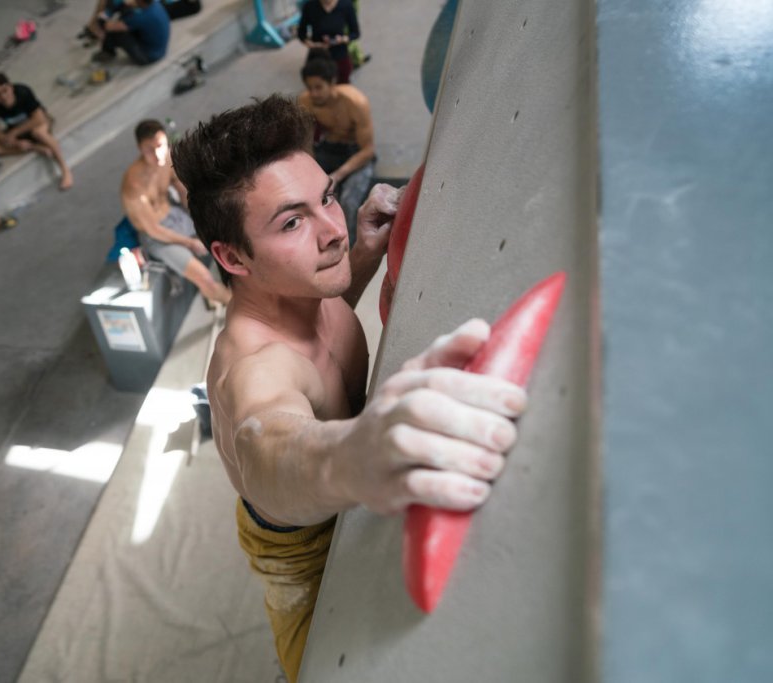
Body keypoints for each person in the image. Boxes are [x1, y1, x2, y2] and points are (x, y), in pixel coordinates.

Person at [171, 95, 527, 682]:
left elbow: (331, 308)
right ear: (231, 257)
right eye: (292, 222)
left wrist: (365, 251)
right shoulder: (257, 368)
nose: (331, 230)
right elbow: (273, 445)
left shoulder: (307, 284)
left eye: (327, 197)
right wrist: (355, 453)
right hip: (307, 564)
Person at [121, 120, 230, 306]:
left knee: (227, 235)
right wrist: (190, 242)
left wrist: (201, 216)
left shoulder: (167, 158)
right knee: (205, 279)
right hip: (158, 236)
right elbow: (153, 229)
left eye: (160, 145)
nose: (157, 154)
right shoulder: (134, 183)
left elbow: (183, 192)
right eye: (149, 150)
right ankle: (258, 318)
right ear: (140, 148)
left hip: (176, 216)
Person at [297, 51, 375, 245]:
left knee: (348, 202)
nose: (313, 93)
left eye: (318, 87)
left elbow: (368, 150)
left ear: (332, 82)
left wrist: (337, 176)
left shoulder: (355, 103)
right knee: (306, 191)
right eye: (309, 87)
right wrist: (312, 171)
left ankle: (348, 248)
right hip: (329, 148)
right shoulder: (306, 102)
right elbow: (305, 142)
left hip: (356, 154)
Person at [0, 74, 74, 191]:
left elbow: (39, 118)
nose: (3, 97)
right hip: (18, 131)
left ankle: (65, 170)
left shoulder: (22, 91)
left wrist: (14, 133)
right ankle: (36, 148)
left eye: (5, 91)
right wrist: (15, 142)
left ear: (10, 87)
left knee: (39, 133)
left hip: (37, 123)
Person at [297, 0, 360, 85]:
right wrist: (312, 45)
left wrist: (343, 39)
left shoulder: (346, 5)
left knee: (341, 87)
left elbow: (355, 33)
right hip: (317, 55)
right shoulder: (309, 6)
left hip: (339, 53)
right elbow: (301, 34)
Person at [92, 0, 171, 66]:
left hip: (148, 56)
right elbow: (129, 5)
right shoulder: (154, 3)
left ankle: (108, 52)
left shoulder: (141, 17)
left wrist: (102, 17)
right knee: (127, 10)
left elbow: (108, 26)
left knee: (116, 33)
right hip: (159, 48)